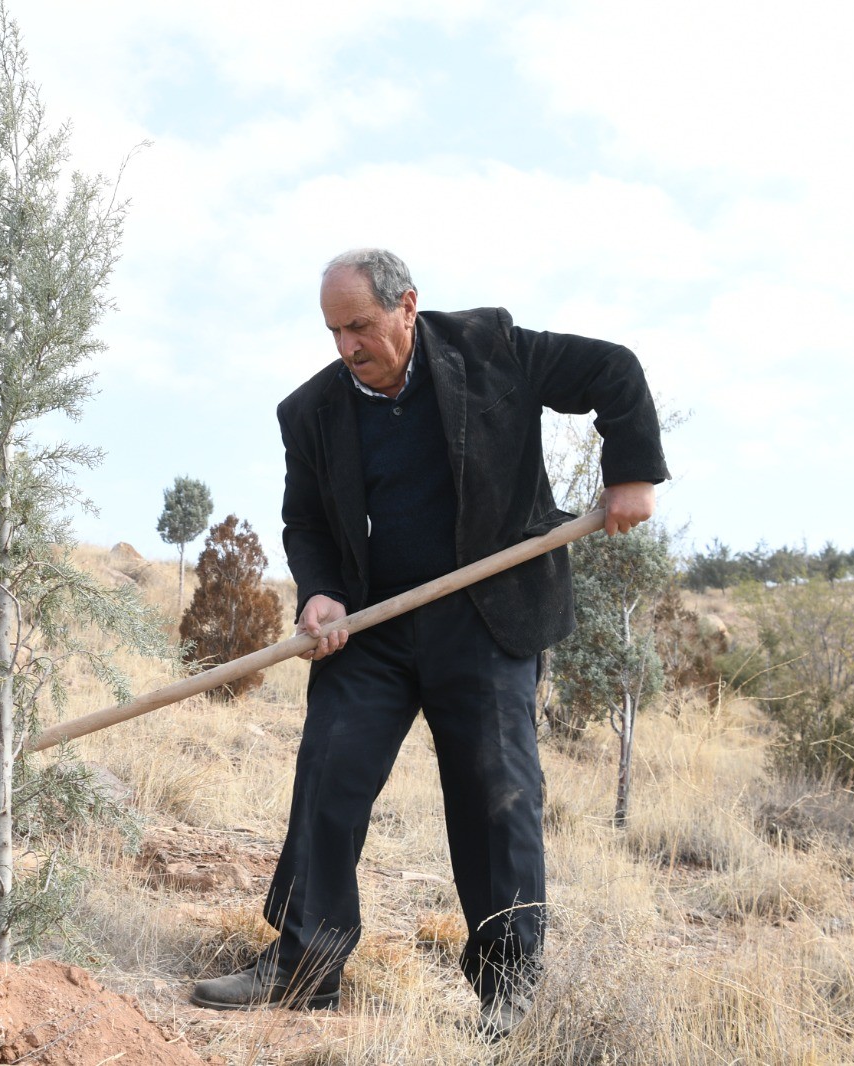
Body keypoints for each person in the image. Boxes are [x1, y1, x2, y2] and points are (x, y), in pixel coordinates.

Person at [189, 249, 669, 1038]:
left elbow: (614, 371)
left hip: (487, 617)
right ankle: (305, 966)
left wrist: (632, 473)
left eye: (362, 326)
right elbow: (306, 522)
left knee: (496, 794)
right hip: (371, 627)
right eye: (335, 331)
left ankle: (509, 990)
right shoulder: (309, 412)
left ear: (408, 306)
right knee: (330, 773)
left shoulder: (491, 349)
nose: (348, 347)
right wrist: (319, 592)